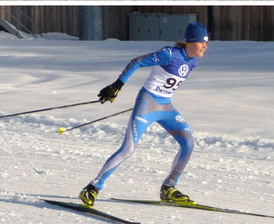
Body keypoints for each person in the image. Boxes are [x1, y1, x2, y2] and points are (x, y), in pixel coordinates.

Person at [79, 21, 209, 207]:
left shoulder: (193, 61)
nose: (205, 45)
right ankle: (92, 187)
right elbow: (137, 61)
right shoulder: (169, 54)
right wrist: (117, 86)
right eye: (201, 41)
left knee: (188, 143)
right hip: (147, 104)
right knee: (128, 149)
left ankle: (168, 189)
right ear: (190, 41)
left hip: (166, 107)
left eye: (207, 42)